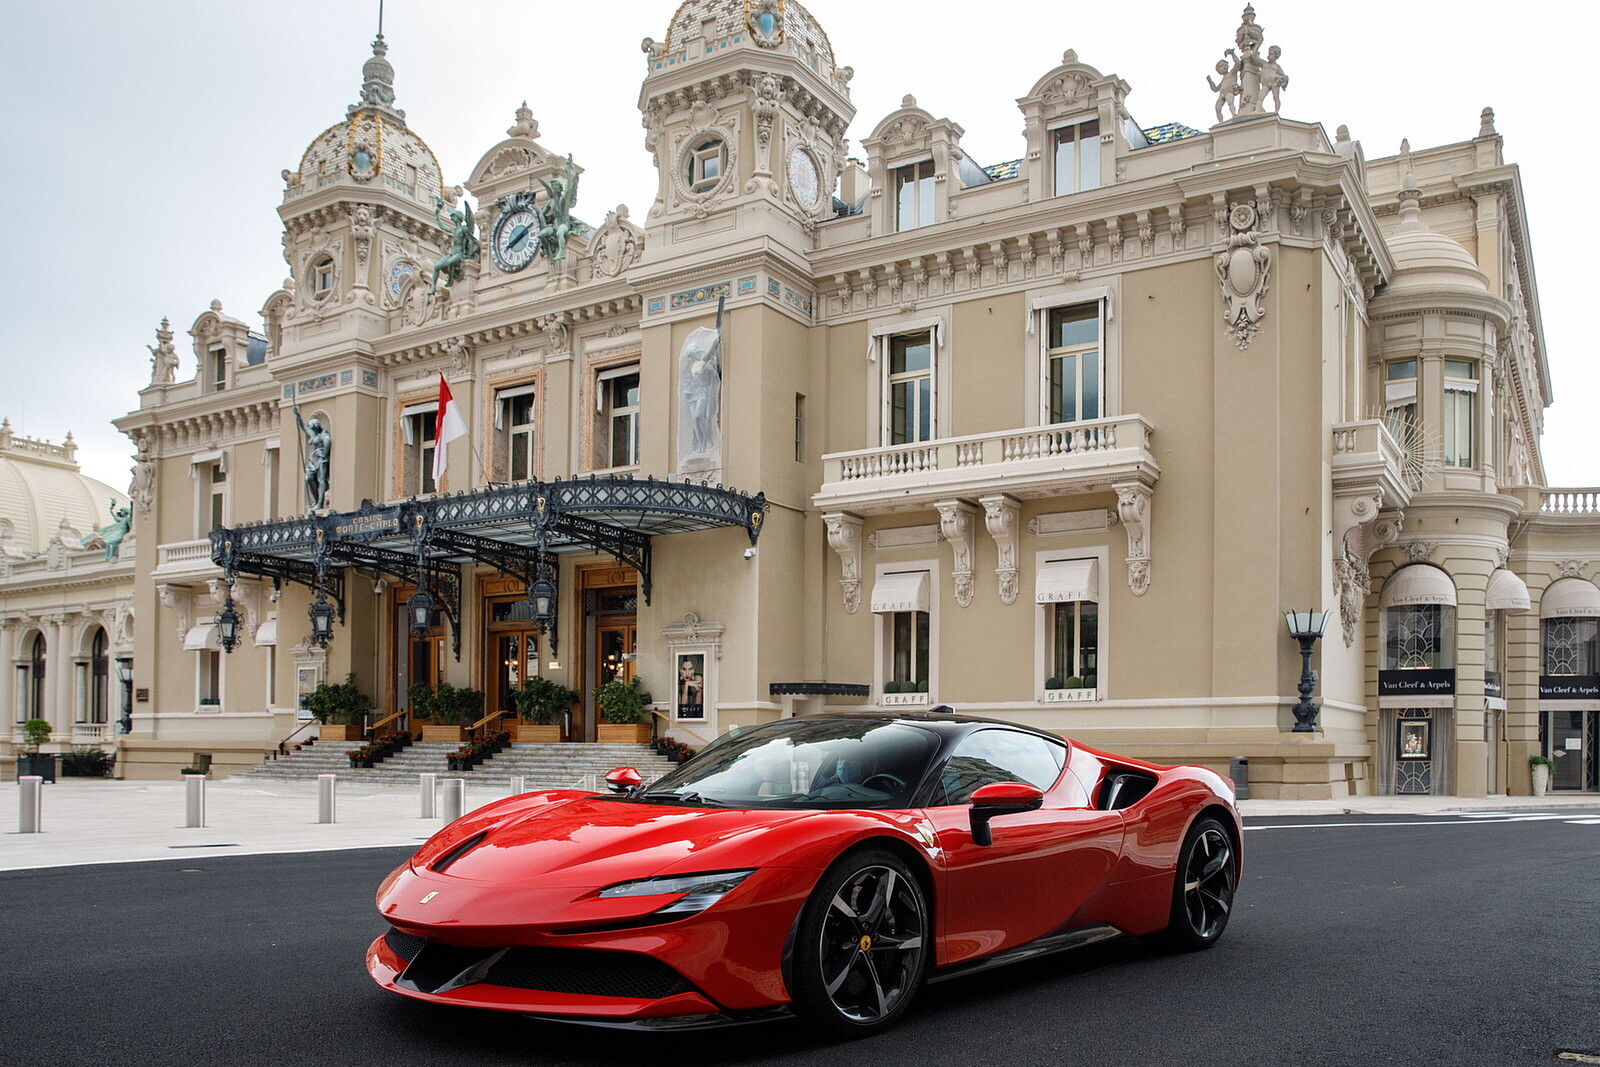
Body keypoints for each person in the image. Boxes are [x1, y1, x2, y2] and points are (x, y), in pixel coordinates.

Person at [295, 405, 331, 509]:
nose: (311, 429)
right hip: (312, 460)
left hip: (321, 460)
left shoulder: (323, 434)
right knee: (309, 478)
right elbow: (303, 428)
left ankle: (320, 503)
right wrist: (298, 416)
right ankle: (316, 500)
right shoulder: (313, 434)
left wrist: (324, 454)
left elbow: (327, 442)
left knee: (321, 480)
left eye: (312, 428)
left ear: (316, 427)